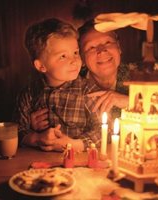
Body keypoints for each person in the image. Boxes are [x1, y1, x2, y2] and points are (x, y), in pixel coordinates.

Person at [30, 19, 130, 137]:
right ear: (81, 57)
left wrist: (129, 102)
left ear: (119, 47)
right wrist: (34, 126)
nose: (102, 51)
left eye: (108, 42)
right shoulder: (68, 80)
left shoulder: (143, 75)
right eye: (91, 47)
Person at [14, 18, 101, 152]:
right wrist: (36, 138)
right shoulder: (29, 93)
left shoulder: (88, 91)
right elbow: (16, 131)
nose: (74, 61)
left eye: (75, 53)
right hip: (38, 163)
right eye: (63, 56)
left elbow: (103, 129)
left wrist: (75, 144)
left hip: (78, 164)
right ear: (41, 66)